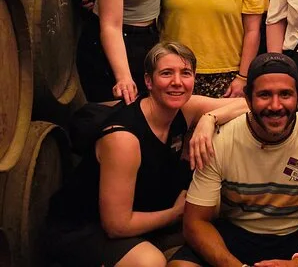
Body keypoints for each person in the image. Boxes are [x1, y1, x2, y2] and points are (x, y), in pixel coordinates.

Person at [46, 41, 250, 267]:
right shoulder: (123, 138)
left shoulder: (184, 108)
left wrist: (209, 119)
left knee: (214, 227)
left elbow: (248, 105)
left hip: (145, 213)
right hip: (85, 228)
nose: (177, 82)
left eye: (185, 73)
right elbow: (116, 226)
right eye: (166, 73)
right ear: (148, 81)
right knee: (150, 262)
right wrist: (176, 213)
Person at [167, 53, 298, 267]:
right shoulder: (219, 139)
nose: (275, 106)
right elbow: (195, 221)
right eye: (264, 95)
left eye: (285, 94)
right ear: (248, 99)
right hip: (236, 231)